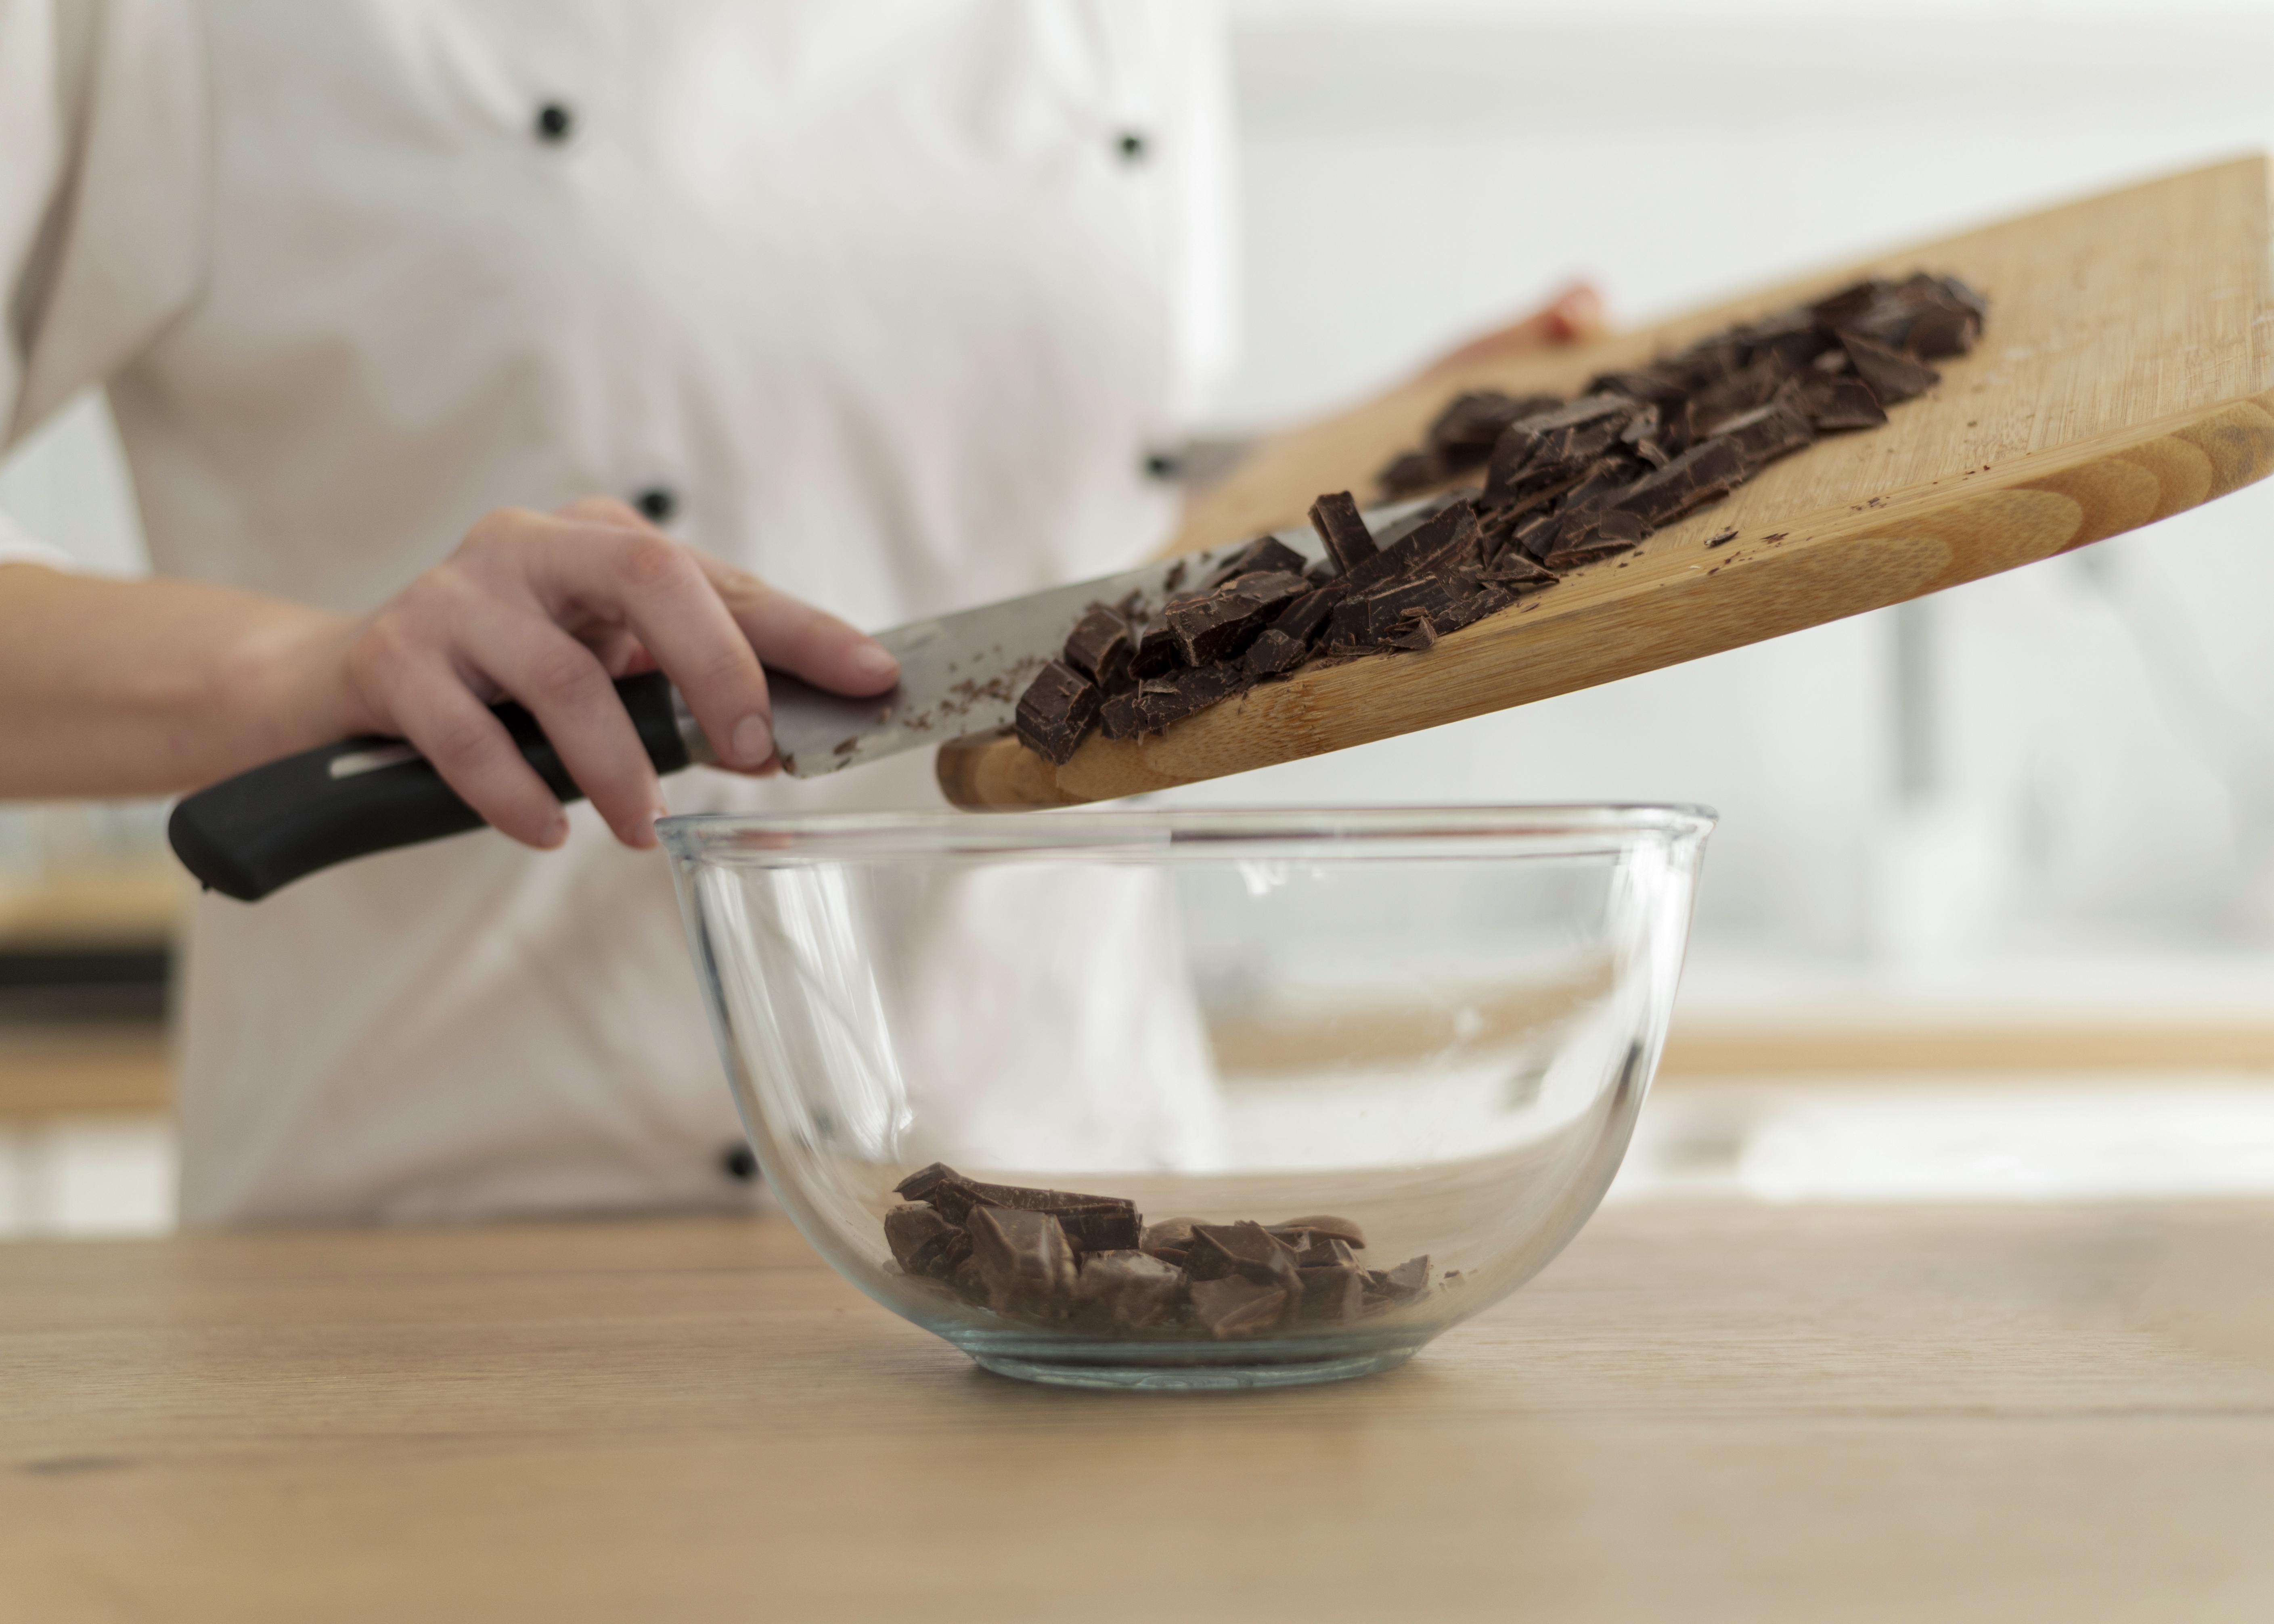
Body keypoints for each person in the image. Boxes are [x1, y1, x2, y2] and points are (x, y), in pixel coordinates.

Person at [0, 1, 1598, 1225]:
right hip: (458, 1257)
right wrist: (317, 669)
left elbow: (1035, 511)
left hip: (1094, 1217)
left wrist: (1362, 480)